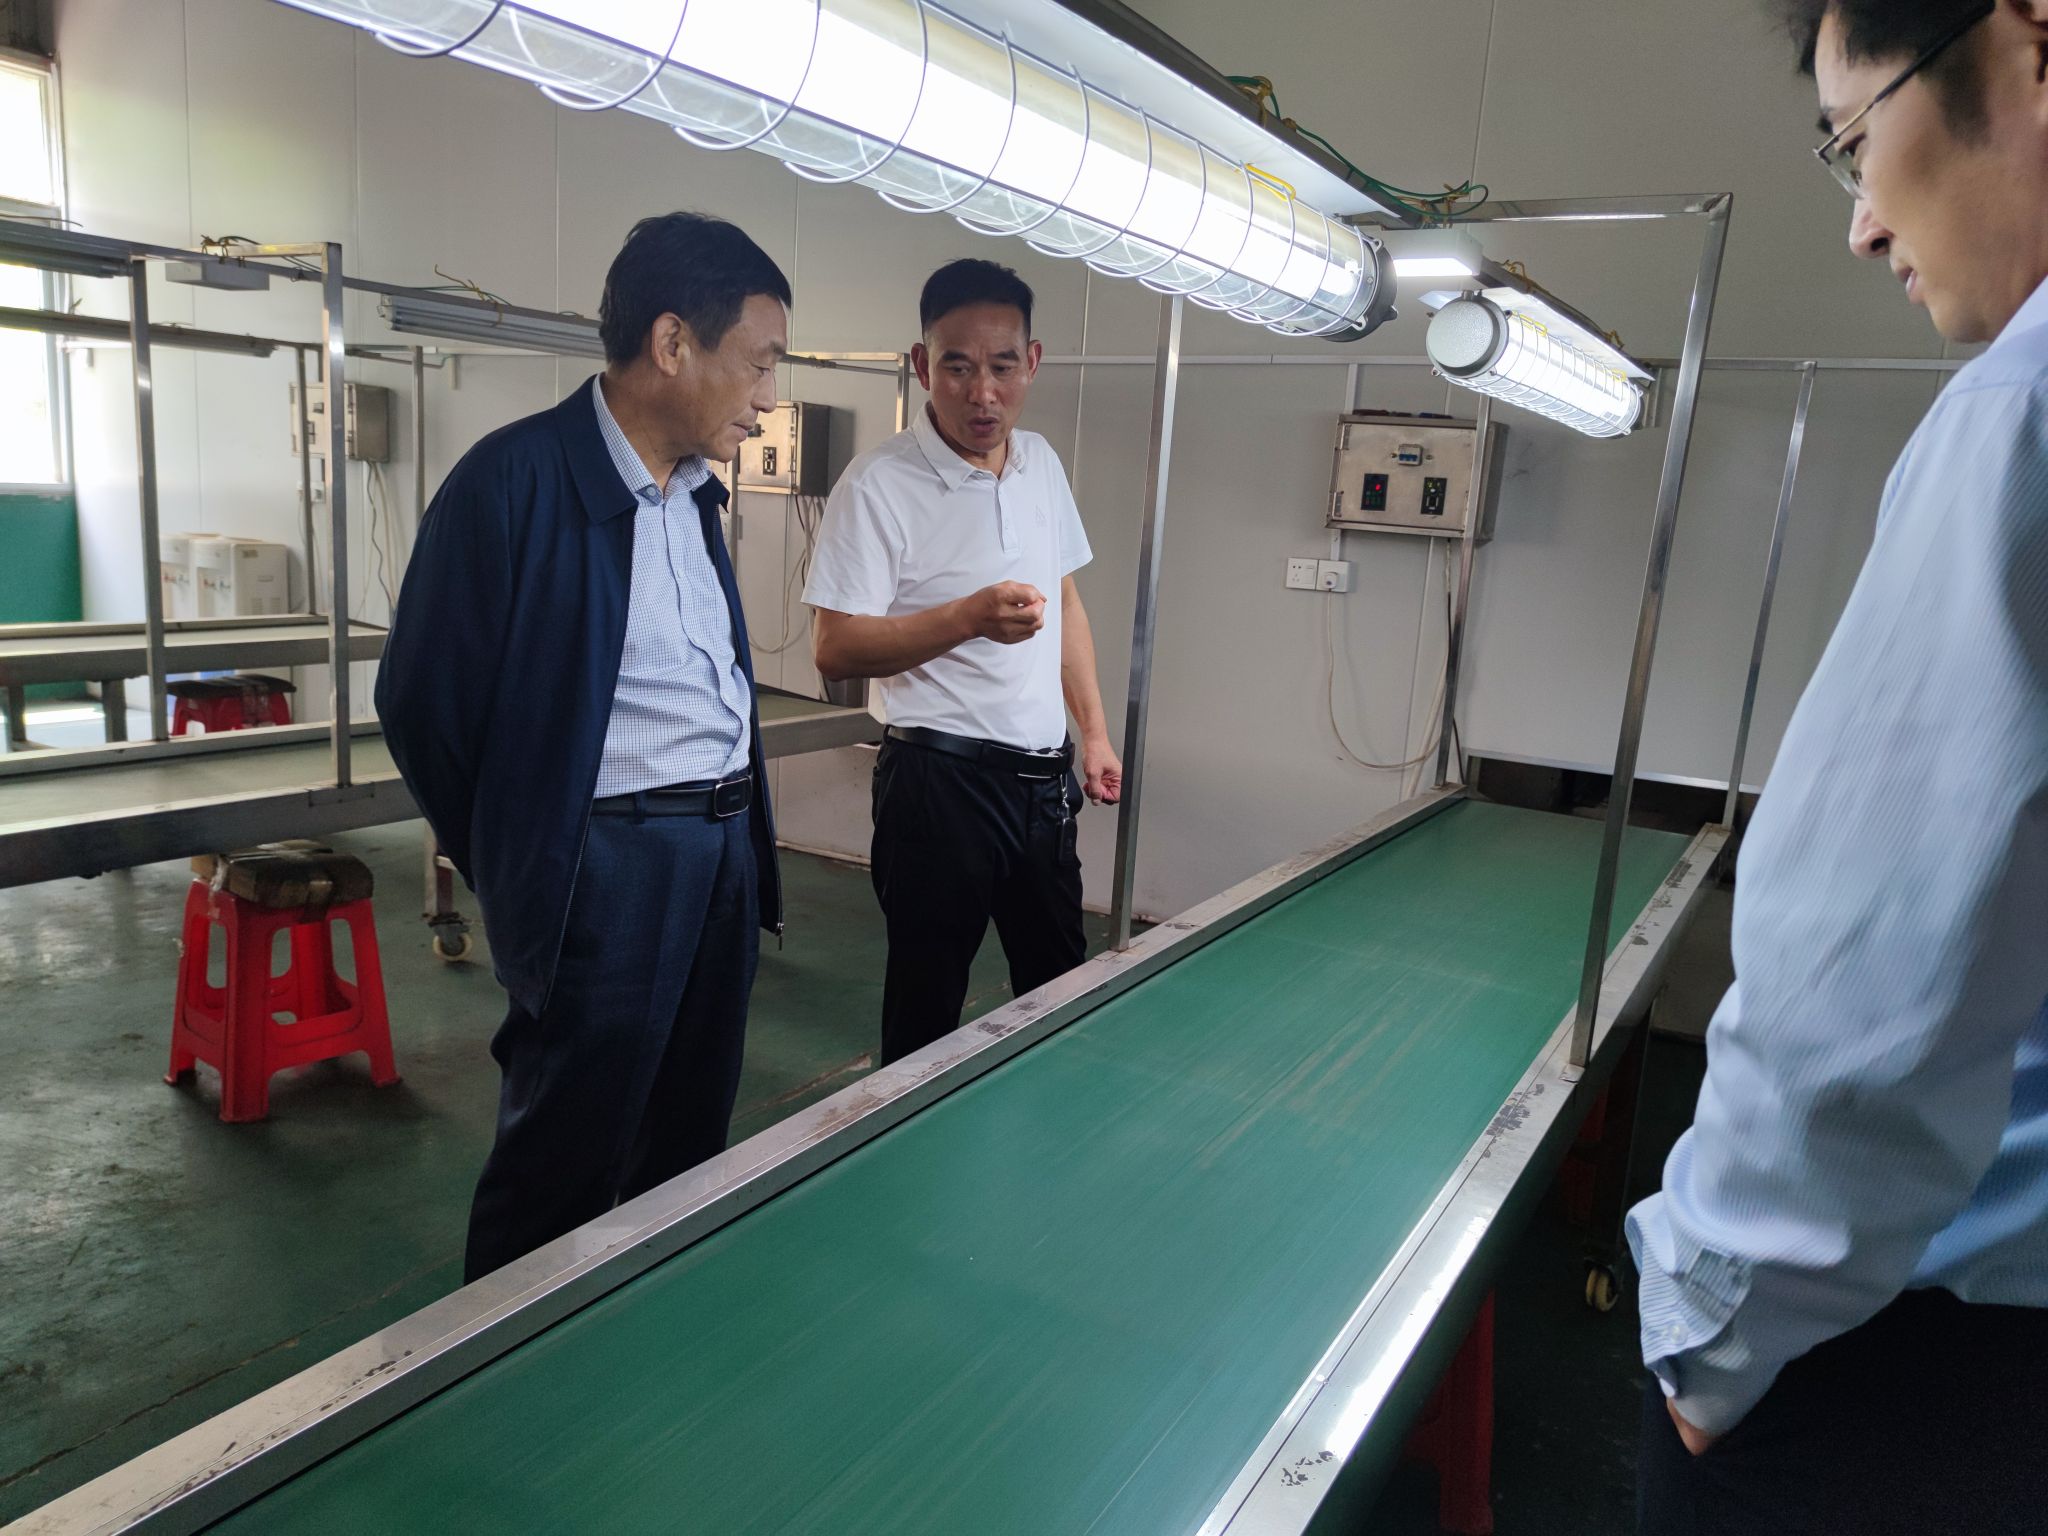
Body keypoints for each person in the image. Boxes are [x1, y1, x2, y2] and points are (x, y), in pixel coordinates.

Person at [1627, 2, 2048, 1529]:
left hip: (1917, 1357)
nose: (1865, 221)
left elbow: (1870, 973)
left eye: (1859, 137)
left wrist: (1709, 1341)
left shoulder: (2021, 415)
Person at [376, 212, 790, 1283]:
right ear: (672, 344)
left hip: (718, 854)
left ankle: (638, 1335)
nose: (768, 396)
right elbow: (423, 703)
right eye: (758, 363)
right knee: (564, 1157)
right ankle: (500, 1361)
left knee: (687, 1140)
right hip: (606, 867)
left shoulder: (695, 494)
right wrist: (526, 857)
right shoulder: (513, 483)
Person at [804, 258, 1122, 1066]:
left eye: (1002, 367)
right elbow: (835, 646)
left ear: (1032, 363)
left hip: (1041, 784)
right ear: (922, 365)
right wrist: (965, 620)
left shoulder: (1041, 463)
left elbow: (1066, 604)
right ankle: (906, 1140)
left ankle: (1053, 1128)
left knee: (1060, 992)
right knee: (926, 1007)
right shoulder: (879, 484)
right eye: (957, 367)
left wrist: (1092, 733)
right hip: (938, 786)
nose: (983, 393)